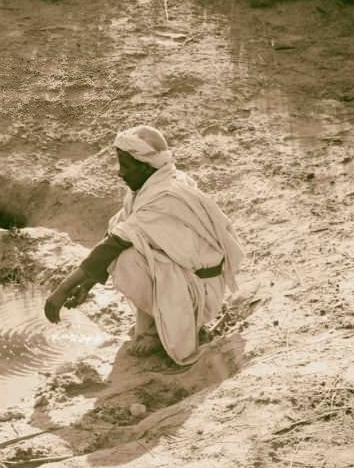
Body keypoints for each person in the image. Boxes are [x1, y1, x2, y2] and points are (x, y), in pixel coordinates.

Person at [44, 125, 245, 365]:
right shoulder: (152, 185)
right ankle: (160, 323)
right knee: (134, 252)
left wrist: (61, 291)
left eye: (126, 166)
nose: (120, 173)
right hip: (187, 282)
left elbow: (114, 244)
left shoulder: (164, 198)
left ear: (144, 165)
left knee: (127, 260)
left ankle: (171, 330)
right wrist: (86, 284)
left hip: (200, 293)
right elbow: (116, 231)